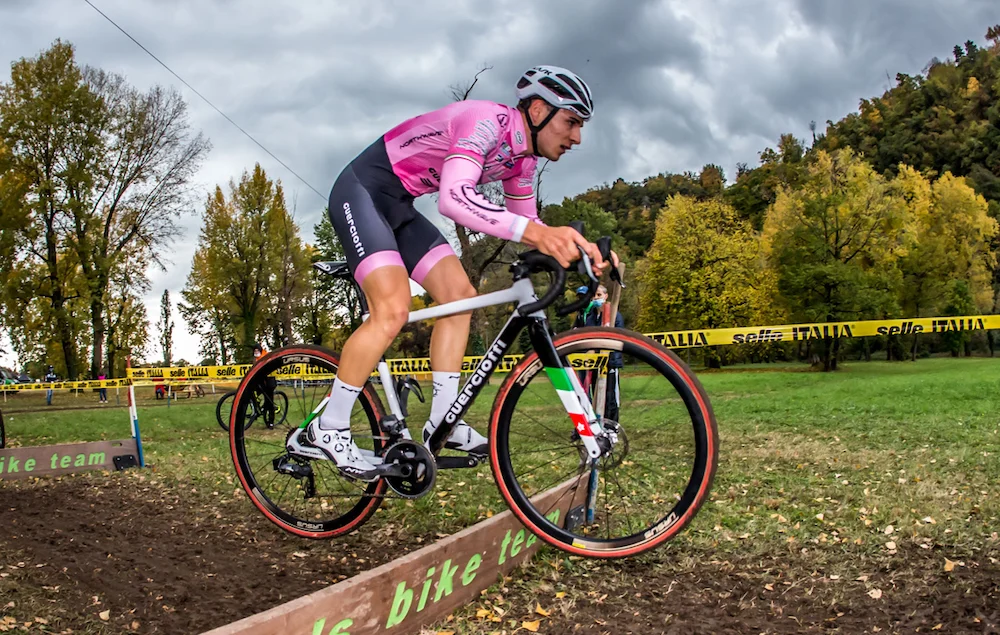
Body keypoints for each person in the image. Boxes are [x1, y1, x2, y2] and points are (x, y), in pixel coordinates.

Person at [308, 65, 615, 480]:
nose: (577, 137)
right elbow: (454, 199)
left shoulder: (521, 162)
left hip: (399, 207)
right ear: (540, 109)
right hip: (362, 193)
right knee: (392, 309)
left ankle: (441, 421)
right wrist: (541, 235)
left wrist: (580, 251)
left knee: (460, 296)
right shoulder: (487, 122)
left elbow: (530, 229)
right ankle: (328, 429)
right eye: (572, 122)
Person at [576, 284, 624, 423]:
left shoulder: (614, 315)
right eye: (594, 295)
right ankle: (597, 425)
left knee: (610, 398)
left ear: (605, 296)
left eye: (599, 295)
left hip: (609, 363)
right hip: (594, 363)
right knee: (596, 396)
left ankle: (612, 425)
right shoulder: (590, 317)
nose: (596, 298)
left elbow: (617, 340)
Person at [252, 343, 278, 427]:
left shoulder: (266, 356)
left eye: (257, 350)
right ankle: (257, 409)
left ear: (260, 350)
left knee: (269, 401)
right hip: (261, 381)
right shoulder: (256, 359)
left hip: (269, 382)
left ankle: (271, 422)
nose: (256, 352)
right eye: (254, 351)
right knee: (252, 392)